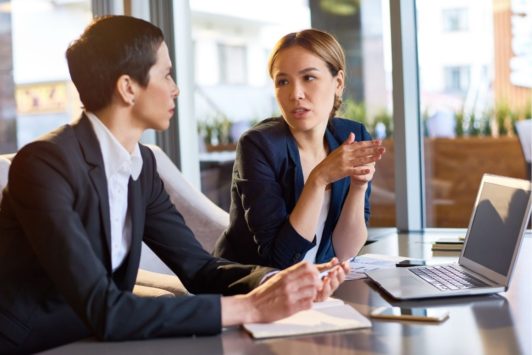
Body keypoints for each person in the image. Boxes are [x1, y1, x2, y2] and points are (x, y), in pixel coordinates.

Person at [0, 16, 348, 354]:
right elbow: (105, 309)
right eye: (166, 74)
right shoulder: (44, 164)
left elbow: (198, 267)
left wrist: (277, 282)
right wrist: (249, 308)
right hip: (34, 343)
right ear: (127, 88)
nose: (176, 88)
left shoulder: (141, 165)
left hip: (98, 339)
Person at [213, 29, 385, 269]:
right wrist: (319, 178)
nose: (295, 94)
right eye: (283, 82)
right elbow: (280, 260)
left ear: (338, 82)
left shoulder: (350, 137)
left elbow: (345, 252)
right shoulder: (259, 145)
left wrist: (358, 187)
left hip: (316, 283)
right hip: (253, 289)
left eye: (309, 78)